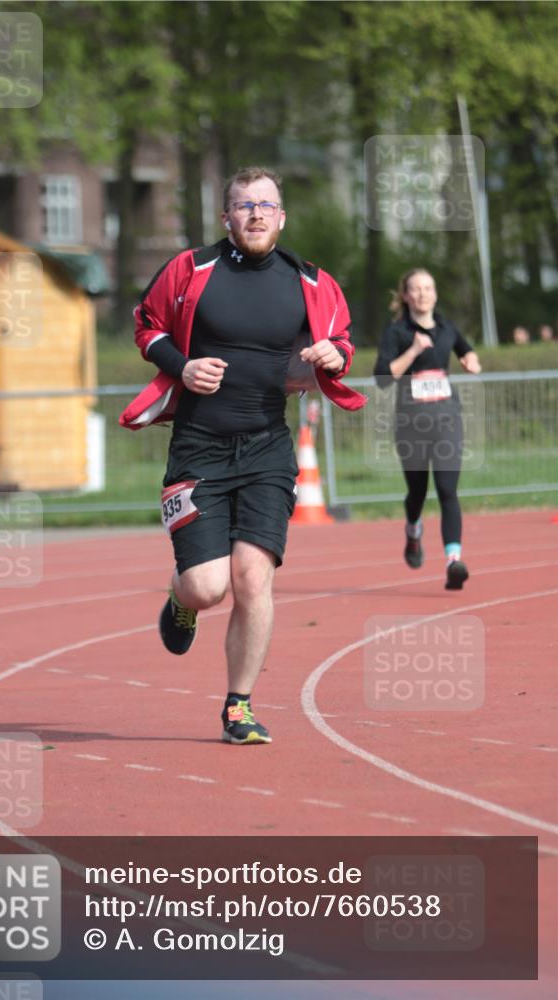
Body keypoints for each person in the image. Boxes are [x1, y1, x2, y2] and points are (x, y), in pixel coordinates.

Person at [120, 166, 367, 744]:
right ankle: (180, 601)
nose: (255, 213)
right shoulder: (189, 268)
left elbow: (342, 340)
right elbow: (146, 325)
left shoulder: (308, 280)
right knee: (208, 587)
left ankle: (239, 706)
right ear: (225, 216)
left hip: (267, 449)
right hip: (198, 448)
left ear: (281, 216)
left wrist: (334, 356)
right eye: (243, 204)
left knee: (253, 581)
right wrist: (182, 366)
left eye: (266, 204)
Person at [373, 269, 481, 590]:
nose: (423, 294)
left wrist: (471, 360)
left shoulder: (447, 328)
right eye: (416, 289)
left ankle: (453, 561)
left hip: (447, 419)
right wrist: (414, 350)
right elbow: (382, 378)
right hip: (411, 424)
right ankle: (413, 530)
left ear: (435, 293)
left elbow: (466, 348)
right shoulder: (396, 333)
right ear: (405, 296)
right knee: (418, 493)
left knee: (448, 490)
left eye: (428, 288)